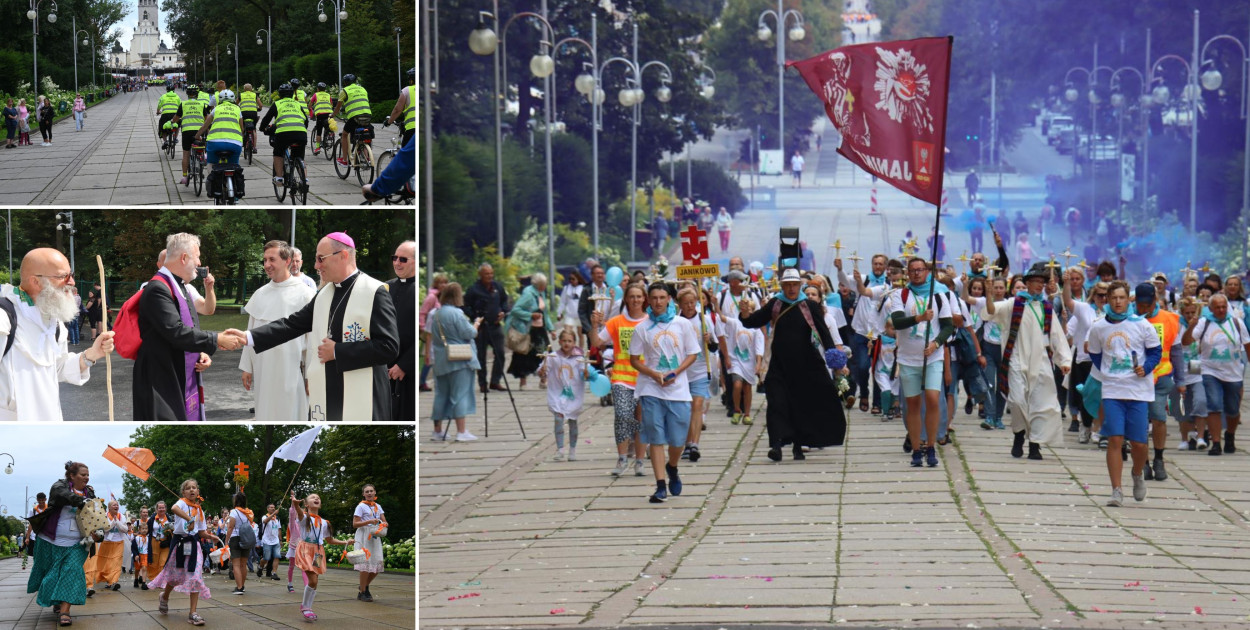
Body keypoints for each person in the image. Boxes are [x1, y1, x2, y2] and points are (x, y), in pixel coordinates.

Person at [232, 233, 401, 421]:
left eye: (321, 259)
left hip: (365, 393)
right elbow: (291, 324)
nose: (316, 266)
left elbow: (389, 348)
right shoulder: (323, 294)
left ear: (343, 255)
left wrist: (337, 351)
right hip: (329, 391)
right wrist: (248, 337)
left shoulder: (374, 292)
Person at [741, 269, 847, 461]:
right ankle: (776, 445)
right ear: (782, 286)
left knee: (800, 405)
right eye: (787, 285)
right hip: (779, 365)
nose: (791, 288)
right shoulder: (776, 304)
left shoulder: (809, 306)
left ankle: (798, 444)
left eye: (794, 285)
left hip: (805, 364)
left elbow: (824, 333)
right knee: (776, 403)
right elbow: (754, 322)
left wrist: (835, 360)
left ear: (800, 286)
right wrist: (745, 313)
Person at [0, 248, 116, 420]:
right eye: (63, 276)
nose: (72, 282)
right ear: (36, 281)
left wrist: (92, 354)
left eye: (71, 274)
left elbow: (58, 367)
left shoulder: (54, 321)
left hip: (49, 421)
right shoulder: (5, 316)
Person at [134, 234, 240, 421]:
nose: (199, 263)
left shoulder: (180, 286)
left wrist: (200, 351)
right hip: (160, 378)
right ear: (184, 258)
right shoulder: (158, 288)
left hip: (177, 371)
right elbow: (176, 332)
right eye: (197, 257)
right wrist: (216, 339)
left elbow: (190, 325)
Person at [980, 263, 1073, 460]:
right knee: (1017, 401)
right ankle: (1019, 433)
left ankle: (1035, 445)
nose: (1039, 286)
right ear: (1027, 284)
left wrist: (1064, 359)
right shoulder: (1014, 304)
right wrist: (989, 294)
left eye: (1042, 282)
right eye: (1036, 282)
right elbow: (990, 311)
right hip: (1016, 358)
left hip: (1040, 361)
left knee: (1041, 403)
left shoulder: (1046, 308)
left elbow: (1056, 335)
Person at [1087, 281, 1161, 507]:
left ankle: (1137, 473)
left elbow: (1155, 351)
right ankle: (1116, 490)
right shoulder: (1099, 327)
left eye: (1122, 298)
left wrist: (1145, 368)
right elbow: (1095, 354)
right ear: (1107, 300)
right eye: (1114, 298)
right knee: (1115, 438)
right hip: (1112, 390)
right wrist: (1110, 372)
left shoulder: (1142, 324)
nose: (1118, 302)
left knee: (1139, 444)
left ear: (1128, 300)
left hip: (1138, 391)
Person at [629, 282, 701, 503]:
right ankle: (660, 485)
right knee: (656, 437)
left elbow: (693, 353)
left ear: (669, 299)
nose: (658, 302)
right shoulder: (642, 328)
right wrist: (653, 374)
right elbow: (634, 360)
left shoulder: (682, 324)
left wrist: (676, 372)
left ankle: (672, 467)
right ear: (648, 300)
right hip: (651, 389)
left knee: (678, 441)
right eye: (654, 298)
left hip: (678, 390)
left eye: (662, 297)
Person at [239, 240, 315, 421]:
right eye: (264, 260)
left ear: (287, 260)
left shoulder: (306, 294)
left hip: (290, 369)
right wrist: (247, 367)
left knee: (292, 414)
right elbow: (250, 332)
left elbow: (312, 339)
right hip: (263, 369)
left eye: (271, 259)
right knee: (264, 414)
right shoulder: (260, 294)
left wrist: (311, 376)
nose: (266, 265)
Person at [889, 258, 955, 467]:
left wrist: (936, 343)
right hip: (909, 359)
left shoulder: (938, 294)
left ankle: (931, 445)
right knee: (913, 404)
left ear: (927, 272)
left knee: (933, 399)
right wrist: (918, 318)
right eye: (913, 271)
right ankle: (917, 448)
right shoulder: (901, 295)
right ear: (908, 273)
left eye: (920, 270)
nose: (917, 273)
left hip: (932, 357)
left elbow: (948, 326)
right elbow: (898, 322)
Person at [25, 462, 100, 628]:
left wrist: (98, 532)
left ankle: (65, 610)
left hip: (78, 543)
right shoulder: (59, 486)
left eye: (88, 475)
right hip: (52, 539)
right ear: (71, 476)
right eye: (83, 474)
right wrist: (82, 501)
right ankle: (57, 601)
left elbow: (96, 516)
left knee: (72, 572)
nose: (87, 478)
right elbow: (62, 496)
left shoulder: (91, 492)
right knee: (53, 575)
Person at [1181, 293, 1250, 456]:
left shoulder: (1236, 323)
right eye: (1217, 307)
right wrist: (1191, 326)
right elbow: (1186, 341)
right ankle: (1216, 443)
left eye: (1223, 307)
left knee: (1233, 410)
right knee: (1214, 405)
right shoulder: (1204, 323)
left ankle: (1230, 435)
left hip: (1233, 373)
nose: (1221, 310)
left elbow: (1247, 344)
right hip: (1209, 371)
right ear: (1210, 308)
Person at [593, 283, 649, 477]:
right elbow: (598, 343)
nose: (635, 300)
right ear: (625, 299)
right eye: (631, 296)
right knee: (623, 416)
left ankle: (640, 461)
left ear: (644, 299)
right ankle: (623, 457)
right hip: (622, 377)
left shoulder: (651, 322)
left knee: (642, 421)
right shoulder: (616, 322)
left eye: (639, 297)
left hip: (645, 379)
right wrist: (594, 325)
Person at [149, 479, 221, 627]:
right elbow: (174, 509)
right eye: (188, 488)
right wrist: (189, 519)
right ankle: (165, 596)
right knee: (174, 576)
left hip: (194, 545)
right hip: (180, 543)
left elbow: (200, 531)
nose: (192, 490)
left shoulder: (199, 510)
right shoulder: (182, 503)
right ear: (183, 492)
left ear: (198, 492)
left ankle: (193, 613)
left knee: (196, 576)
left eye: (194, 488)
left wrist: (209, 536)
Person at [1138, 283, 1182, 481]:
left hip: (1161, 376)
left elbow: (1177, 351)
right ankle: (1143, 462)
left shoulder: (1170, 319)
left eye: (1148, 304)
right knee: (1139, 421)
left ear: (1155, 300)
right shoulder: (1129, 318)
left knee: (1158, 417)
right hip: (1136, 378)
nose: (1144, 308)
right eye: (1141, 304)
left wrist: (1181, 379)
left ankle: (1159, 458)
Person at [428, 282, 482, 440]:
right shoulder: (457, 313)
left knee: (441, 395)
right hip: (459, 359)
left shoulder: (436, 313)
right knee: (460, 394)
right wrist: (477, 324)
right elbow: (469, 333)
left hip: (441, 359)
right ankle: (461, 431)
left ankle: (437, 431)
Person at [290, 492, 352, 622]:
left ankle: (308, 607)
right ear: (306, 504)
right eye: (313, 497)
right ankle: (305, 607)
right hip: (305, 550)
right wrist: (296, 506)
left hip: (318, 552)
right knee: (312, 580)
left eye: (318, 497)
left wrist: (345, 542)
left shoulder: (325, 523)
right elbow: (300, 514)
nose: (316, 498)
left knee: (315, 582)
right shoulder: (304, 517)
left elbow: (329, 540)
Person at [677, 287, 720, 462]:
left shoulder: (704, 320)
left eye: (692, 303)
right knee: (685, 410)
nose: (689, 306)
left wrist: (708, 339)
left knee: (697, 405)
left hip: (701, 369)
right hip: (681, 371)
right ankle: (687, 442)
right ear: (679, 304)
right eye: (685, 303)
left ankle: (694, 444)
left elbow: (714, 347)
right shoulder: (675, 321)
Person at [540, 328, 592, 461]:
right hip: (557, 392)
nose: (566, 344)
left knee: (572, 421)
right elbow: (542, 372)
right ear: (559, 342)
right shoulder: (553, 357)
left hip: (573, 394)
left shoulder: (579, 358)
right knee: (558, 419)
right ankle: (560, 449)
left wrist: (586, 373)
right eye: (564, 341)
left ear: (574, 342)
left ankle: (572, 449)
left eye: (569, 341)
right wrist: (543, 370)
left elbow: (584, 373)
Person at [465, 263, 510, 392]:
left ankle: (495, 381)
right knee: (481, 356)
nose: (490, 276)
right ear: (480, 275)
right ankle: (482, 383)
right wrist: (475, 317)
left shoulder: (497, 287)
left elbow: (504, 301)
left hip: (495, 326)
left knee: (500, 353)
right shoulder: (474, 289)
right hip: (481, 328)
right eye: (486, 274)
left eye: (491, 273)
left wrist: (503, 311)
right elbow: (465, 305)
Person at [505, 273, 554, 388]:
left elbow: (545, 313)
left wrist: (551, 329)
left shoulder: (541, 293)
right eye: (544, 284)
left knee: (545, 353)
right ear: (539, 284)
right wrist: (530, 315)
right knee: (524, 354)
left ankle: (543, 379)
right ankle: (523, 381)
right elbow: (515, 310)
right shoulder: (528, 293)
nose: (545, 286)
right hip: (528, 329)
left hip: (540, 329)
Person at [387, 242, 416, 420]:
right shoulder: (386, 288)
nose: (397, 263)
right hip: (385, 367)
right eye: (395, 258)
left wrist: (404, 365)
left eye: (403, 259)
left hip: (407, 370)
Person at [725, 297, 764, 426]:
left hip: (750, 362)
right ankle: (737, 409)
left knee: (747, 388)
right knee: (737, 385)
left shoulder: (756, 329)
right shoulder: (736, 323)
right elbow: (722, 318)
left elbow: (759, 347)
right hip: (736, 359)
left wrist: (758, 363)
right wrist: (715, 305)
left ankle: (747, 414)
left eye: (750, 310)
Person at [260, 83, 309, 188]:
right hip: (301, 133)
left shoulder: (277, 103)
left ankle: (279, 178)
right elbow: (306, 120)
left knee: (278, 153)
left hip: (283, 134)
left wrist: (262, 128)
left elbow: (266, 119)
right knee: (299, 156)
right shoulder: (297, 104)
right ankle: (304, 180)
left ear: (280, 94)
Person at [352, 484, 387, 601]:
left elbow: (384, 521)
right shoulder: (361, 506)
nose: (369, 493)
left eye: (371, 491)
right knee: (364, 564)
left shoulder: (378, 506)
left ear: (375, 492)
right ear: (363, 494)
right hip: (364, 536)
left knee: (377, 564)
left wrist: (384, 524)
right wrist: (369, 521)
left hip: (375, 536)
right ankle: (362, 592)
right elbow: (355, 524)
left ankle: (364, 586)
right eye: (367, 491)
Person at [85, 500, 129, 592]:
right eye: (114, 505)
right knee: (106, 564)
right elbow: (104, 529)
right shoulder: (104, 516)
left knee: (116, 563)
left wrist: (118, 523)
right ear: (109, 507)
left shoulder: (122, 516)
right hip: (106, 542)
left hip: (119, 542)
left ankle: (113, 581)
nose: (116, 506)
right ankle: (108, 580)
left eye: (117, 505)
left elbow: (125, 529)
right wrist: (113, 522)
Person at [194, 89, 243, 166]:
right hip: (234, 143)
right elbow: (241, 128)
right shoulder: (237, 109)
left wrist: (196, 136)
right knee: (234, 165)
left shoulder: (216, 109)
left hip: (215, 143)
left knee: (211, 164)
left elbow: (205, 126)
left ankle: (211, 176)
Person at [172, 85, 208, 186]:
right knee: (201, 145)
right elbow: (207, 119)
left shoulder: (183, 104)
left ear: (187, 94)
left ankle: (184, 176)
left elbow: (176, 118)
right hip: (199, 131)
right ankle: (201, 158)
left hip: (187, 132)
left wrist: (172, 122)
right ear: (197, 94)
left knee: (186, 154)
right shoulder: (202, 104)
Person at [333, 74, 371, 167]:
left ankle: (345, 160)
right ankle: (367, 159)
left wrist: (332, 115)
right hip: (367, 115)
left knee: (345, 135)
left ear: (345, 83)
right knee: (362, 137)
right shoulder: (363, 89)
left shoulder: (344, 91)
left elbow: (337, 108)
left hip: (355, 117)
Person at [419, 273, 448, 392]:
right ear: (436, 284)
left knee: (438, 357)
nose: (443, 285)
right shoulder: (432, 297)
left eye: (445, 282)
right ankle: (422, 381)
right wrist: (422, 328)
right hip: (430, 332)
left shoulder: (445, 297)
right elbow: (422, 313)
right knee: (429, 357)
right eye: (441, 283)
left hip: (441, 332)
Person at [225, 493, 254, 594]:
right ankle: (242, 585)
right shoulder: (248, 512)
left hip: (235, 538)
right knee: (243, 564)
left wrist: (226, 540)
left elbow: (230, 527)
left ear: (236, 501)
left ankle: (239, 587)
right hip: (246, 538)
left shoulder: (234, 512)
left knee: (236, 564)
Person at [384, 68, 417, 147]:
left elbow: (397, 110)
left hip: (413, 128)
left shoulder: (407, 91)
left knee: (405, 155)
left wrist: (389, 122)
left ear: (411, 80)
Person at [146, 501, 173, 586]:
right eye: (160, 508)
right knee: (154, 562)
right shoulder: (152, 519)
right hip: (155, 541)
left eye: (163, 507)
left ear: (165, 508)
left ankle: (162, 581)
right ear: (156, 509)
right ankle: (154, 579)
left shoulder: (169, 519)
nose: (161, 509)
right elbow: (147, 530)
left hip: (165, 543)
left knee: (163, 562)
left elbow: (173, 530)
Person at [558, 271, 584, 348]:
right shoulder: (566, 288)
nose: (571, 281)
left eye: (573, 279)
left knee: (580, 334)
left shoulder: (583, 289)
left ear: (578, 279)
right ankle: (569, 350)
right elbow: (562, 302)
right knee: (567, 334)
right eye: (570, 279)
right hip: (569, 315)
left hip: (580, 316)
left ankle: (580, 352)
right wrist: (559, 313)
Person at [257, 504, 281, 580]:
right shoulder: (265, 516)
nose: (273, 509)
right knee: (266, 558)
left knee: (277, 556)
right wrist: (273, 514)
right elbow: (265, 521)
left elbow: (279, 529)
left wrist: (280, 540)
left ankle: (274, 573)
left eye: (274, 508)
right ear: (267, 509)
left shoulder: (277, 518)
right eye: (271, 507)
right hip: (267, 541)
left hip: (275, 540)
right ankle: (260, 566)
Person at [310, 82, 334, 155]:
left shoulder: (316, 94)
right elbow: (332, 104)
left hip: (320, 115)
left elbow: (310, 104)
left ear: (318, 89)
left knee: (319, 131)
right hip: (329, 114)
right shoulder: (328, 95)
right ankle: (330, 134)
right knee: (327, 126)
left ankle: (317, 148)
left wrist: (310, 109)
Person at [238, 83, 260, 149]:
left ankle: (242, 139)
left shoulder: (241, 95)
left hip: (243, 113)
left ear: (244, 89)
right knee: (254, 129)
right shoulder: (254, 95)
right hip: (253, 113)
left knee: (242, 126)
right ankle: (255, 147)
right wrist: (259, 109)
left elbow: (236, 104)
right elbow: (260, 105)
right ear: (251, 89)